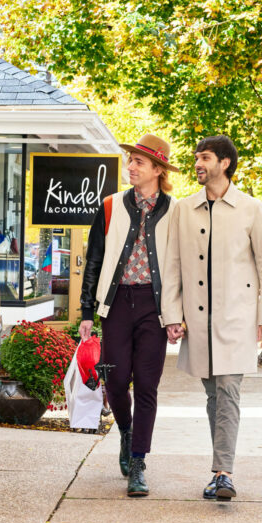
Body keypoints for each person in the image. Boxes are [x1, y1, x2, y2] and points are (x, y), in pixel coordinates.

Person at [161, 135, 262, 501]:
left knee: (228, 390)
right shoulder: (184, 208)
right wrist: (172, 315)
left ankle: (223, 473)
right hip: (198, 321)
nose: (198, 163)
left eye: (205, 157)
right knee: (213, 395)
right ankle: (220, 470)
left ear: (224, 163)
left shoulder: (250, 208)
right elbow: (173, 265)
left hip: (237, 318)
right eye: (197, 157)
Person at [79, 134, 179, 497]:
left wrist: (176, 315)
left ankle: (138, 462)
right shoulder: (109, 206)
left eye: (139, 162)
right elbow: (93, 261)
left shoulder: (176, 211)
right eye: (130, 160)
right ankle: (125, 431)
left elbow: (181, 267)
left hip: (155, 308)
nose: (131, 167)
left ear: (158, 169)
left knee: (148, 386)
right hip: (117, 303)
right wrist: (87, 310)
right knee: (115, 381)